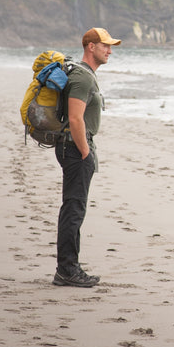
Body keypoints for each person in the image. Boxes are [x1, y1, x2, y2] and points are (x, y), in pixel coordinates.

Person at [53, 26, 122, 288]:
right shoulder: (82, 78)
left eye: (110, 45)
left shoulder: (85, 75)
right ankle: (67, 270)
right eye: (105, 45)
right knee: (74, 209)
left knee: (73, 208)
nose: (109, 50)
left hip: (72, 146)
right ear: (90, 47)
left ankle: (68, 267)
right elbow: (74, 117)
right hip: (75, 148)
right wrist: (84, 151)